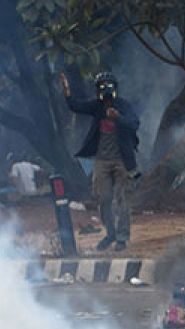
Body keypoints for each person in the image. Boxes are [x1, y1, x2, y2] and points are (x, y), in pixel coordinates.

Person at [61, 70, 140, 252]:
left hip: (123, 161)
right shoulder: (97, 106)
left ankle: (121, 238)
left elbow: (134, 123)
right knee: (103, 199)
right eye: (101, 87)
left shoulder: (123, 106)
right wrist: (66, 92)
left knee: (123, 201)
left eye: (108, 86)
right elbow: (75, 106)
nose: (105, 90)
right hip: (102, 161)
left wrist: (117, 118)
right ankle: (110, 233)